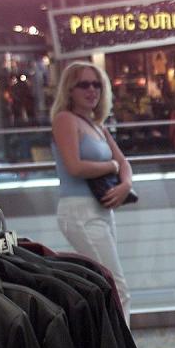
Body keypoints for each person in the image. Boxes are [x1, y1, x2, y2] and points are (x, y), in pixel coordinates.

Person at [50, 61, 133, 326]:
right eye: (83, 84)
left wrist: (126, 185)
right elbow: (74, 166)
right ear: (70, 90)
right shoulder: (65, 120)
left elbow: (125, 163)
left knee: (106, 286)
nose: (91, 90)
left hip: (102, 210)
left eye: (96, 84)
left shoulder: (97, 126)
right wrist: (111, 166)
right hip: (79, 211)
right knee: (117, 288)